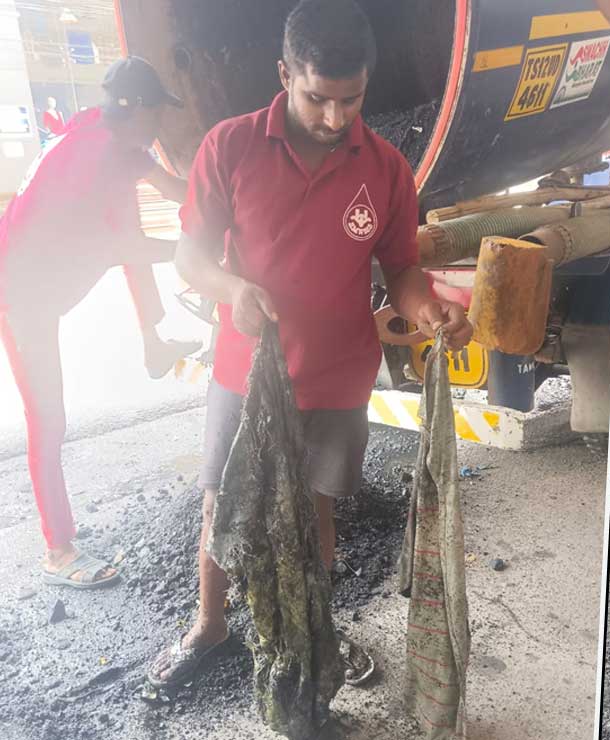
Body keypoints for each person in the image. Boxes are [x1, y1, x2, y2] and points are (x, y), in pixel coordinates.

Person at [145, 0, 472, 690]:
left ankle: (316, 629)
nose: (333, 116)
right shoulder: (230, 146)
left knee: (316, 511)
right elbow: (189, 256)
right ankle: (209, 625)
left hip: (337, 375)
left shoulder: (386, 168)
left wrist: (428, 310)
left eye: (350, 100)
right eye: (318, 97)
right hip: (245, 371)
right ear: (284, 74)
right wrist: (232, 289)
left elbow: (401, 271)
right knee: (221, 503)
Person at [0, 57, 200, 590]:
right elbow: (124, 247)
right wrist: (195, 251)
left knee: (128, 219)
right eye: (158, 112)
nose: (162, 124)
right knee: (48, 419)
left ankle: (153, 342)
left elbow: (177, 190)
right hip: (19, 294)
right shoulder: (91, 156)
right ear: (137, 109)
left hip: (46, 278)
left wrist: (233, 196)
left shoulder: (112, 139)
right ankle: (58, 551)